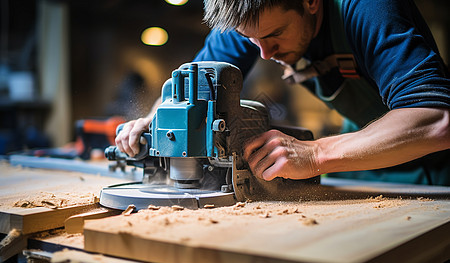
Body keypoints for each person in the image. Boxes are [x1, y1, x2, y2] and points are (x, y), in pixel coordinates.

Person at [115, 0, 450, 186]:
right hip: (367, 158)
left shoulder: (367, 7)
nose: (263, 53)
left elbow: (436, 121)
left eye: (276, 34)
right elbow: (189, 90)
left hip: (435, 165)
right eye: (251, 40)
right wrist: (153, 121)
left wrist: (317, 154)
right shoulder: (251, 22)